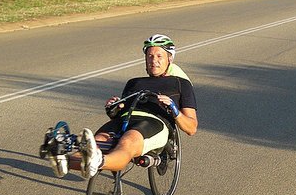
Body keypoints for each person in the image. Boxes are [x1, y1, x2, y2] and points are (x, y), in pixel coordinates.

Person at [41, 34, 197, 179]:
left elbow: (191, 127)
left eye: (159, 56)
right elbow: (119, 112)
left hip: (154, 123)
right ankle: (63, 160)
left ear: (169, 59)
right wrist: (114, 108)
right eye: (149, 56)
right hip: (125, 120)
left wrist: (175, 111)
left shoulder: (181, 84)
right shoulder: (134, 82)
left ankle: (99, 161)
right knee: (95, 142)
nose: (153, 60)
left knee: (127, 142)